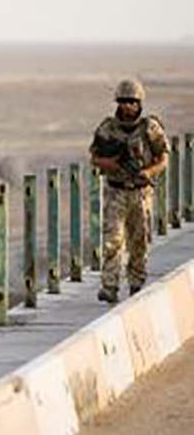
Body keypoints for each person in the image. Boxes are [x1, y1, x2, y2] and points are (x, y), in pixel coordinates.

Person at [90, 79, 169, 303]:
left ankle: (136, 282)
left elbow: (163, 157)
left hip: (141, 191)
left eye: (132, 102)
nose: (127, 106)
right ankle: (110, 285)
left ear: (139, 103)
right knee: (112, 240)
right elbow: (95, 158)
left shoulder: (149, 128)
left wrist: (149, 172)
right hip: (116, 192)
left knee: (139, 240)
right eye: (123, 101)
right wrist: (112, 164)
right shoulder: (107, 129)